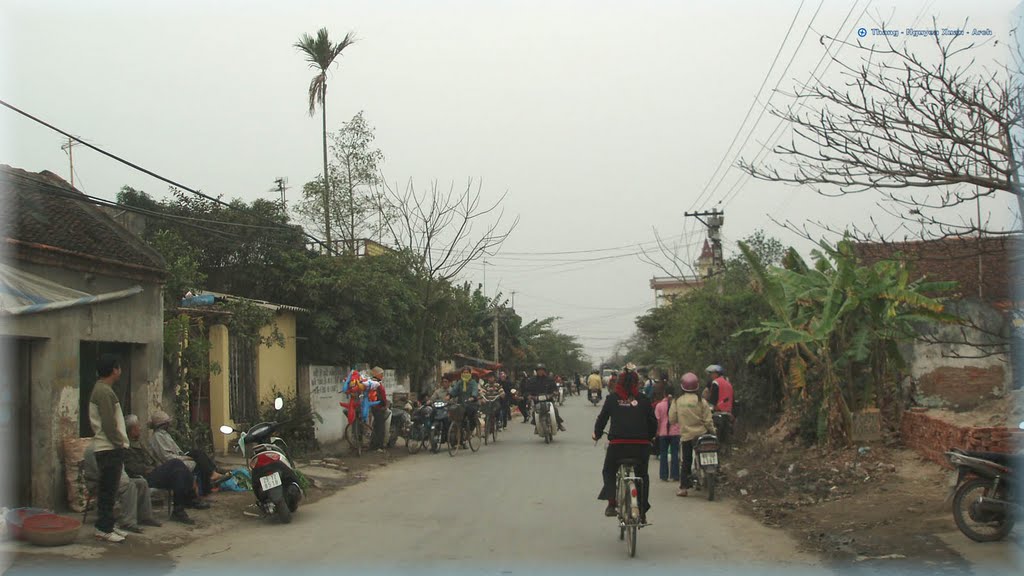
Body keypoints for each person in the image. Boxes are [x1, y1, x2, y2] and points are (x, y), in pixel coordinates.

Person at [593, 369, 657, 523]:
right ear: (637, 383)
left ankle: (612, 503)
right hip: (641, 447)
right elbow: (653, 423)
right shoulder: (644, 399)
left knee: (608, 471)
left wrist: (597, 434)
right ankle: (641, 510)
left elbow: (602, 420)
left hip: (617, 446)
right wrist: (649, 438)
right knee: (643, 476)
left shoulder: (612, 399)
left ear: (619, 383)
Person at [123, 415, 202, 524]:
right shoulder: (126, 447)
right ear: (131, 430)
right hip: (144, 476)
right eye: (138, 427)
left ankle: (179, 509)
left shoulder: (139, 443)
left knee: (179, 472)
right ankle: (190, 498)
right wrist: (151, 468)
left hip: (153, 471)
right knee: (176, 463)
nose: (140, 429)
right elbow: (133, 467)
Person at [89, 353, 130, 543]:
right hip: (108, 448)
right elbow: (108, 422)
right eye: (118, 367)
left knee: (111, 490)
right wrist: (118, 442)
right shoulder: (104, 391)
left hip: (109, 447)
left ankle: (108, 525)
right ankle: (103, 528)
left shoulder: (103, 390)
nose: (120, 371)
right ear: (114, 370)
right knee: (107, 490)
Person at [84, 442, 160, 534]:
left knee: (141, 482)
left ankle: (145, 516)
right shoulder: (96, 449)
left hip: (112, 478)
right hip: (97, 481)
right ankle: (128, 522)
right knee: (129, 486)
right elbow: (102, 472)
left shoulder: (110, 447)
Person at [149, 411, 226, 498]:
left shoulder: (164, 434)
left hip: (178, 456)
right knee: (198, 458)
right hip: (172, 461)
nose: (169, 425)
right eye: (167, 423)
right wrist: (184, 458)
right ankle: (210, 479)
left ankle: (212, 474)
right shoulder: (157, 437)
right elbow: (166, 457)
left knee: (199, 453)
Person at [669, 372, 716, 497]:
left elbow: (672, 419)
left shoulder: (677, 401)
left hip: (687, 435)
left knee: (686, 460)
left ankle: (683, 488)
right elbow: (708, 420)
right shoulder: (702, 401)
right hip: (702, 434)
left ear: (682, 386)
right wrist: (713, 431)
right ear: (697, 386)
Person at [522, 364, 566, 431]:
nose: (540, 372)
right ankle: (537, 425)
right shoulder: (531, 380)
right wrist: (529, 396)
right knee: (534, 412)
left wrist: (555, 392)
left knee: (555, 410)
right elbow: (527, 390)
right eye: (539, 370)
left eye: (542, 370)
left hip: (549, 399)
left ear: (544, 371)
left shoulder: (549, 379)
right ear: (536, 371)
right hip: (537, 400)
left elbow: (555, 388)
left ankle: (559, 424)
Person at [448, 367, 481, 443]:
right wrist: (449, 396)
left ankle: (471, 429)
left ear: (470, 374)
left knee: (470, 414)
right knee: (454, 414)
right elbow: (454, 390)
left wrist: (472, 397)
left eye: (467, 373)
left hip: (472, 404)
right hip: (461, 404)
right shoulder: (460, 383)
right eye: (464, 373)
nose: (465, 374)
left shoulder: (473, 382)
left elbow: (475, 390)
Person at [654, 393, 681, 482]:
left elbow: (658, 420)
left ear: (664, 394)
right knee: (675, 453)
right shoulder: (677, 405)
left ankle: (664, 475)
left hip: (663, 432)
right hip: (675, 432)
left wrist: (657, 432)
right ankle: (675, 475)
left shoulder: (659, 405)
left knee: (663, 454)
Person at [366, 366, 390, 450]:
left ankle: (374, 444)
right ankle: (378, 446)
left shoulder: (372, 383)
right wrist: (385, 404)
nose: (382, 376)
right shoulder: (377, 384)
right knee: (380, 428)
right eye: (381, 374)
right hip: (379, 407)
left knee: (376, 426)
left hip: (374, 407)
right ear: (377, 374)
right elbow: (382, 396)